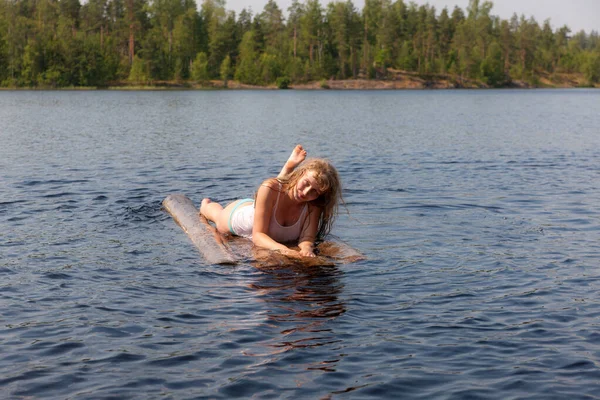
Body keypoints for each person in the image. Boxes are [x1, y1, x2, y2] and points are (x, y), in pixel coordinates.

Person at [200, 145, 342, 259]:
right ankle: (205, 205)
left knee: (277, 191)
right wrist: (285, 251)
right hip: (240, 214)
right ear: (301, 173)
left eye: (315, 191)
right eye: (306, 183)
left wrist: (306, 248)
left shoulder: (313, 205)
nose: (306, 193)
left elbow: (307, 237)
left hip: (267, 204)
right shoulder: (269, 188)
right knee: (217, 215)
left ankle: (287, 169)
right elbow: (258, 236)